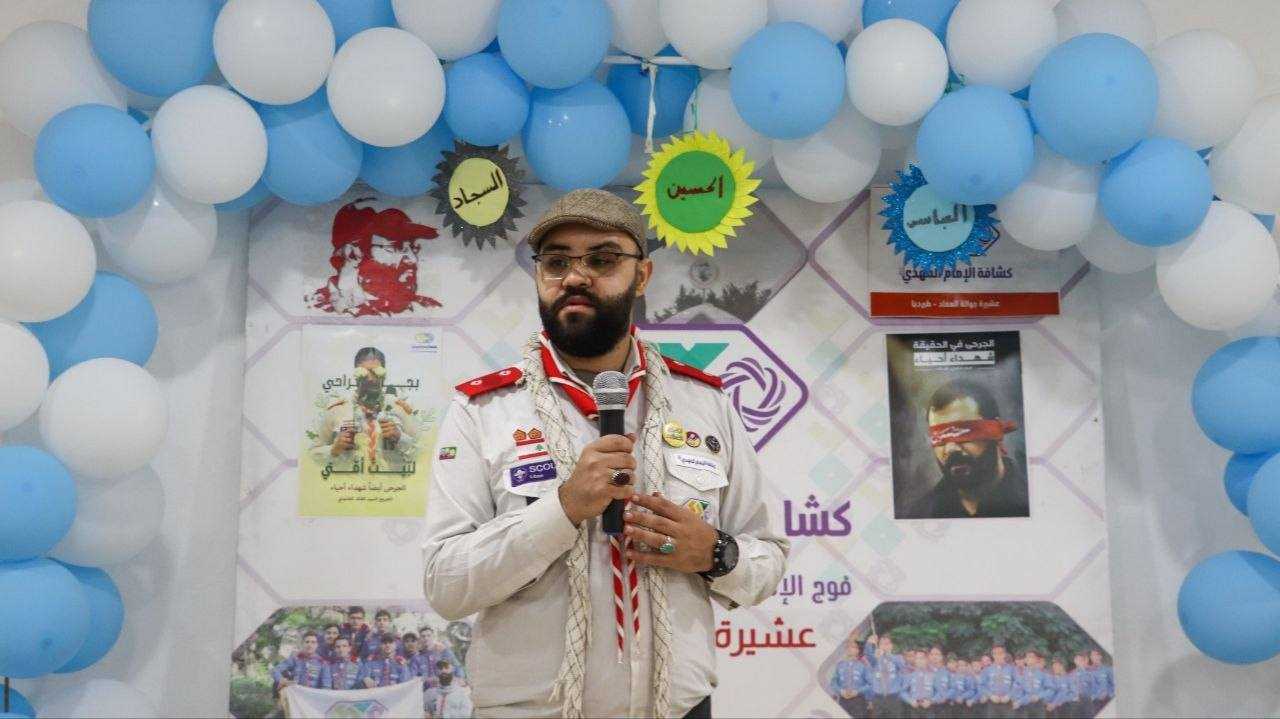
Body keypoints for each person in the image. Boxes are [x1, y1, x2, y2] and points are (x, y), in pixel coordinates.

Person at [422, 189, 789, 718]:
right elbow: (446, 585)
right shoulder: (483, 411)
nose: (575, 277)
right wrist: (563, 509)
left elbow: (768, 560)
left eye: (602, 260)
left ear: (642, 276)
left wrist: (715, 553)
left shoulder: (704, 404)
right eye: (556, 262)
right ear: (538, 276)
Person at [904, 380, 1029, 519]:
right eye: (940, 437)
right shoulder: (921, 514)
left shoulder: (1031, 500)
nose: (951, 449)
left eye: (964, 432)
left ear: (996, 432)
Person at [309, 347, 420, 473]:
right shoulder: (338, 410)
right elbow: (313, 454)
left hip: (389, 482)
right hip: (348, 483)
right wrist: (333, 450)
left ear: (384, 376)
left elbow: (422, 453)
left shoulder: (399, 409)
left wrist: (400, 438)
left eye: (376, 373)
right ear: (356, 376)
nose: (371, 379)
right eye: (365, 373)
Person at [829, 636, 871, 717]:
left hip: (858, 701)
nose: (849, 649)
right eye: (847, 647)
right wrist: (840, 691)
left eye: (852, 647)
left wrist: (857, 691)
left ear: (857, 650)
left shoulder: (863, 666)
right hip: (843, 701)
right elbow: (833, 682)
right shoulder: (840, 665)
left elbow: (870, 684)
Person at [865, 634, 906, 718]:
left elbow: (901, 665)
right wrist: (869, 643)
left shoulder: (898, 657)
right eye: (882, 644)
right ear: (878, 646)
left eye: (886, 644)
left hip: (894, 697)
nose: (884, 646)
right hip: (878, 698)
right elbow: (868, 654)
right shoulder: (876, 659)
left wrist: (887, 654)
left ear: (891, 645)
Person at [979, 645, 1018, 718]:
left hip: (1008, 702)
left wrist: (1009, 695)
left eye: (1000, 653)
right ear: (992, 655)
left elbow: (1017, 684)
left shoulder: (1012, 669)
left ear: (1004, 654)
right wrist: (990, 695)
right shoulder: (987, 670)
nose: (998, 655)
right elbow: (981, 685)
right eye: (995, 653)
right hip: (992, 703)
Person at [899, 650, 939, 718]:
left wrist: (931, 701)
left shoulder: (933, 674)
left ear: (927, 660)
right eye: (917, 658)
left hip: (929, 707)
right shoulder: (910, 675)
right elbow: (902, 691)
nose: (919, 660)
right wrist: (910, 701)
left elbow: (939, 692)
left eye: (922, 658)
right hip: (914, 707)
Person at [1087, 650, 1114, 715]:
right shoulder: (1089, 672)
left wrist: (1108, 694)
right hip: (1096, 702)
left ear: (1100, 656)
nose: (1094, 657)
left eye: (1096, 655)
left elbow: (1114, 685)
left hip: (1108, 700)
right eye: (1092, 655)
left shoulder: (1108, 669)